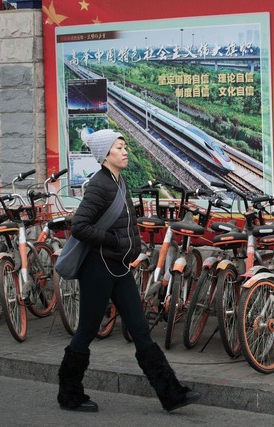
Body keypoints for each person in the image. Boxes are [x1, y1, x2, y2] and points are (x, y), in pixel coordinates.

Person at [56, 129, 200, 412]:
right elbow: (80, 226)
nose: (125, 152)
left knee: (140, 329)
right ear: (105, 154)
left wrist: (132, 248)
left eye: (124, 147)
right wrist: (117, 242)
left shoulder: (118, 181)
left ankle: (171, 393)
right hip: (98, 269)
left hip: (119, 268)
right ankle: (69, 394)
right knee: (86, 330)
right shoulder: (100, 185)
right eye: (119, 147)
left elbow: (125, 223)